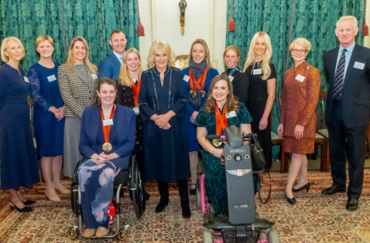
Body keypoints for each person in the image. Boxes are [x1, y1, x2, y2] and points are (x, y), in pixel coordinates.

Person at [321, 16, 370, 211]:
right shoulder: (329, 56)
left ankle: (354, 194)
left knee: (356, 156)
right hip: (334, 111)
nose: (344, 33)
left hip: (357, 113)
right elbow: (330, 80)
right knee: (336, 152)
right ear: (336, 32)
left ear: (356, 31)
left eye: (348, 30)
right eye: (341, 30)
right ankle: (338, 184)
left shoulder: (366, 54)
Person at [139, 40, 191, 218]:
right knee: (159, 161)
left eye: (164, 54)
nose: (161, 58)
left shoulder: (177, 73)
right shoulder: (146, 75)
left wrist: (167, 116)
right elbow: (142, 102)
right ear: (152, 56)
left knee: (179, 162)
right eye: (157, 54)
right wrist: (157, 119)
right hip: (154, 127)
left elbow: (183, 100)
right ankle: (164, 199)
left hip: (174, 124)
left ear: (170, 56)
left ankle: (185, 203)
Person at [78, 78, 136, 238]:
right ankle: (90, 223)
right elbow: (82, 143)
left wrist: (112, 155)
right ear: (98, 93)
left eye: (111, 92)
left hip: (118, 156)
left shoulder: (127, 113)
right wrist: (94, 155)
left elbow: (131, 143)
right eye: (104, 92)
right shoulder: (88, 113)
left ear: (116, 93)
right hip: (94, 156)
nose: (108, 95)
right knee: (84, 172)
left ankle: (102, 222)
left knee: (105, 173)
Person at [195, 74, 253, 216]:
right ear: (211, 90)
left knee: (246, 172)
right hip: (213, 150)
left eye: (222, 88)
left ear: (228, 91)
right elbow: (200, 137)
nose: (218, 91)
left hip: (237, 149)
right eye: (215, 88)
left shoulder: (240, 107)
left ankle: (242, 206)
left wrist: (237, 151)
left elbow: (247, 136)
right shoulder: (205, 109)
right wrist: (215, 151)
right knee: (217, 171)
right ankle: (222, 210)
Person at [278, 38, 320, 205]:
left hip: (304, 122)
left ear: (307, 53)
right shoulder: (288, 73)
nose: (298, 52)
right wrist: (281, 122)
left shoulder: (312, 72)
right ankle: (303, 180)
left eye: (301, 50)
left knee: (296, 153)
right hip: (289, 120)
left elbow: (313, 100)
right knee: (300, 151)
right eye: (295, 49)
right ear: (291, 51)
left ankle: (288, 188)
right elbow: (285, 99)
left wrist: (301, 124)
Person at [28, 35, 69, 201]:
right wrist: (52, 108)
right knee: (47, 152)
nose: (45, 49)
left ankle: (57, 182)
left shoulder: (60, 68)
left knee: (58, 150)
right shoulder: (34, 70)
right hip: (45, 115)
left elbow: (66, 90)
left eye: (48, 46)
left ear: (53, 48)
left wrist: (64, 108)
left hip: (61, 114)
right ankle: (49, 187)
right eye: (42, 46)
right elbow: (35, 94)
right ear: (37, 49)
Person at [0, 37, 39, 212]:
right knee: (12, 156)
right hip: (10, 120)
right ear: (5, 52)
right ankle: (13, 198)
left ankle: (19, 193)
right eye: (12, 48)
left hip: (22, 120)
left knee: (21, 153)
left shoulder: (20, 70)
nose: (17, 50)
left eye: (19, 47)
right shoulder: (4, 71)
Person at [182, 39, 219, 195]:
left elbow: (214, 95)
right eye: (195, 51)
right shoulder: (183, 73)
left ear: (206, 54)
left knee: (208, 148)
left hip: (207, 115)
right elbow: (181, 96)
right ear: (191, 53)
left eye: (201, 51)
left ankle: (210, 178)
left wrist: (200, 113)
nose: (197, 54)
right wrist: (192, 113)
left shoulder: (213, 73)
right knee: (192, 150)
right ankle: (193, 180)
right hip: (188, 115)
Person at [58, 36, 99, 178]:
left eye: (83, 48)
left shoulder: (93, 68)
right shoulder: (64, 69)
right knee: (76, 152)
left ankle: (92, 181)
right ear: (71, 50)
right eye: (77, 47)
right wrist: (84, 114)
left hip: (93, 117)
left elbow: (96, 94)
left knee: (93, 150)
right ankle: (76, 182)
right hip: (74, 117)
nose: (80, 50)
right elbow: (66, 96)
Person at [243, 32, 277, 169]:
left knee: (260, 143)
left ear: (267, 46)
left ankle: (261, 174)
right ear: (253, 45)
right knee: (247, 141)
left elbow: (272, 95)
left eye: (263, 44)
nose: (259, 46)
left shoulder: (269, 66)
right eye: (257, 43)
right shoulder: (247, 65)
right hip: (247, 109)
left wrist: (265, 117)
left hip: (260, 110)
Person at [116, 48, 144, 173]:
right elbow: (119, 106)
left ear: (140, 61)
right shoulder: (119, 83)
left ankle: (142, 183)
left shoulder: (146, 80)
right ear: (125, 62)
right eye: (129, 59)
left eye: (135, 59)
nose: (133, 62)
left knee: (143, 157)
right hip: (128, 124)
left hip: (145, 122)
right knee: (130, 155)